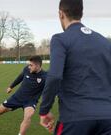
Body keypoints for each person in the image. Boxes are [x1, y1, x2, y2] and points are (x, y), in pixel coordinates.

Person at [39, 0, 111, 134]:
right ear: (81, 13)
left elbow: (54, 77)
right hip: (108, 118)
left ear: (61, 14)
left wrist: (44, 110)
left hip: (75, 119)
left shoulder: (60, 39)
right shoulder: (104, 42)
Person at [0, 56, 47, 135]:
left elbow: (51, 89)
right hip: (17, 97)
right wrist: (11, 86)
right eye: (29, 65)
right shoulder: (26, 69)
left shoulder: (45, 76)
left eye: (31, 65)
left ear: (38, 66)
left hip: (30, 101)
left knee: (27, 117)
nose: (29, 67)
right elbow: (20, 77)